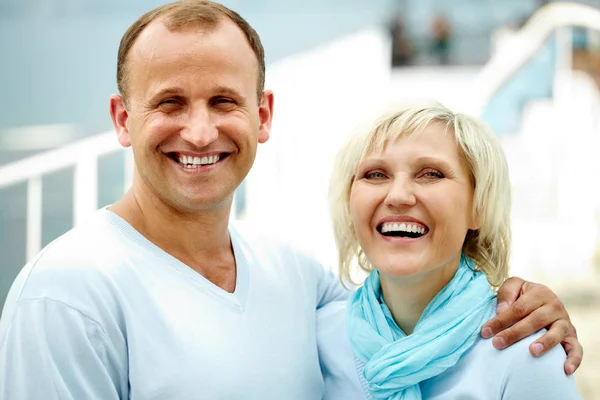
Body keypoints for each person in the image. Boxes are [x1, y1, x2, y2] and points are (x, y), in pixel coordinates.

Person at [0, 2, 583, 399]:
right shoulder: (66, 297)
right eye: (170, 103)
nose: (200, 133)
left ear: (264, 116)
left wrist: (529, 300)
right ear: (124, 120)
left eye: (224, 101)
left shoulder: (298, 281)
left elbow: (403, 300)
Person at [321, 101, 582, 399]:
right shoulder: (315, 342)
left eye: (431, 174)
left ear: (479, 207)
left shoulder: (527, 356)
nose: (398, 196)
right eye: (375, 174)